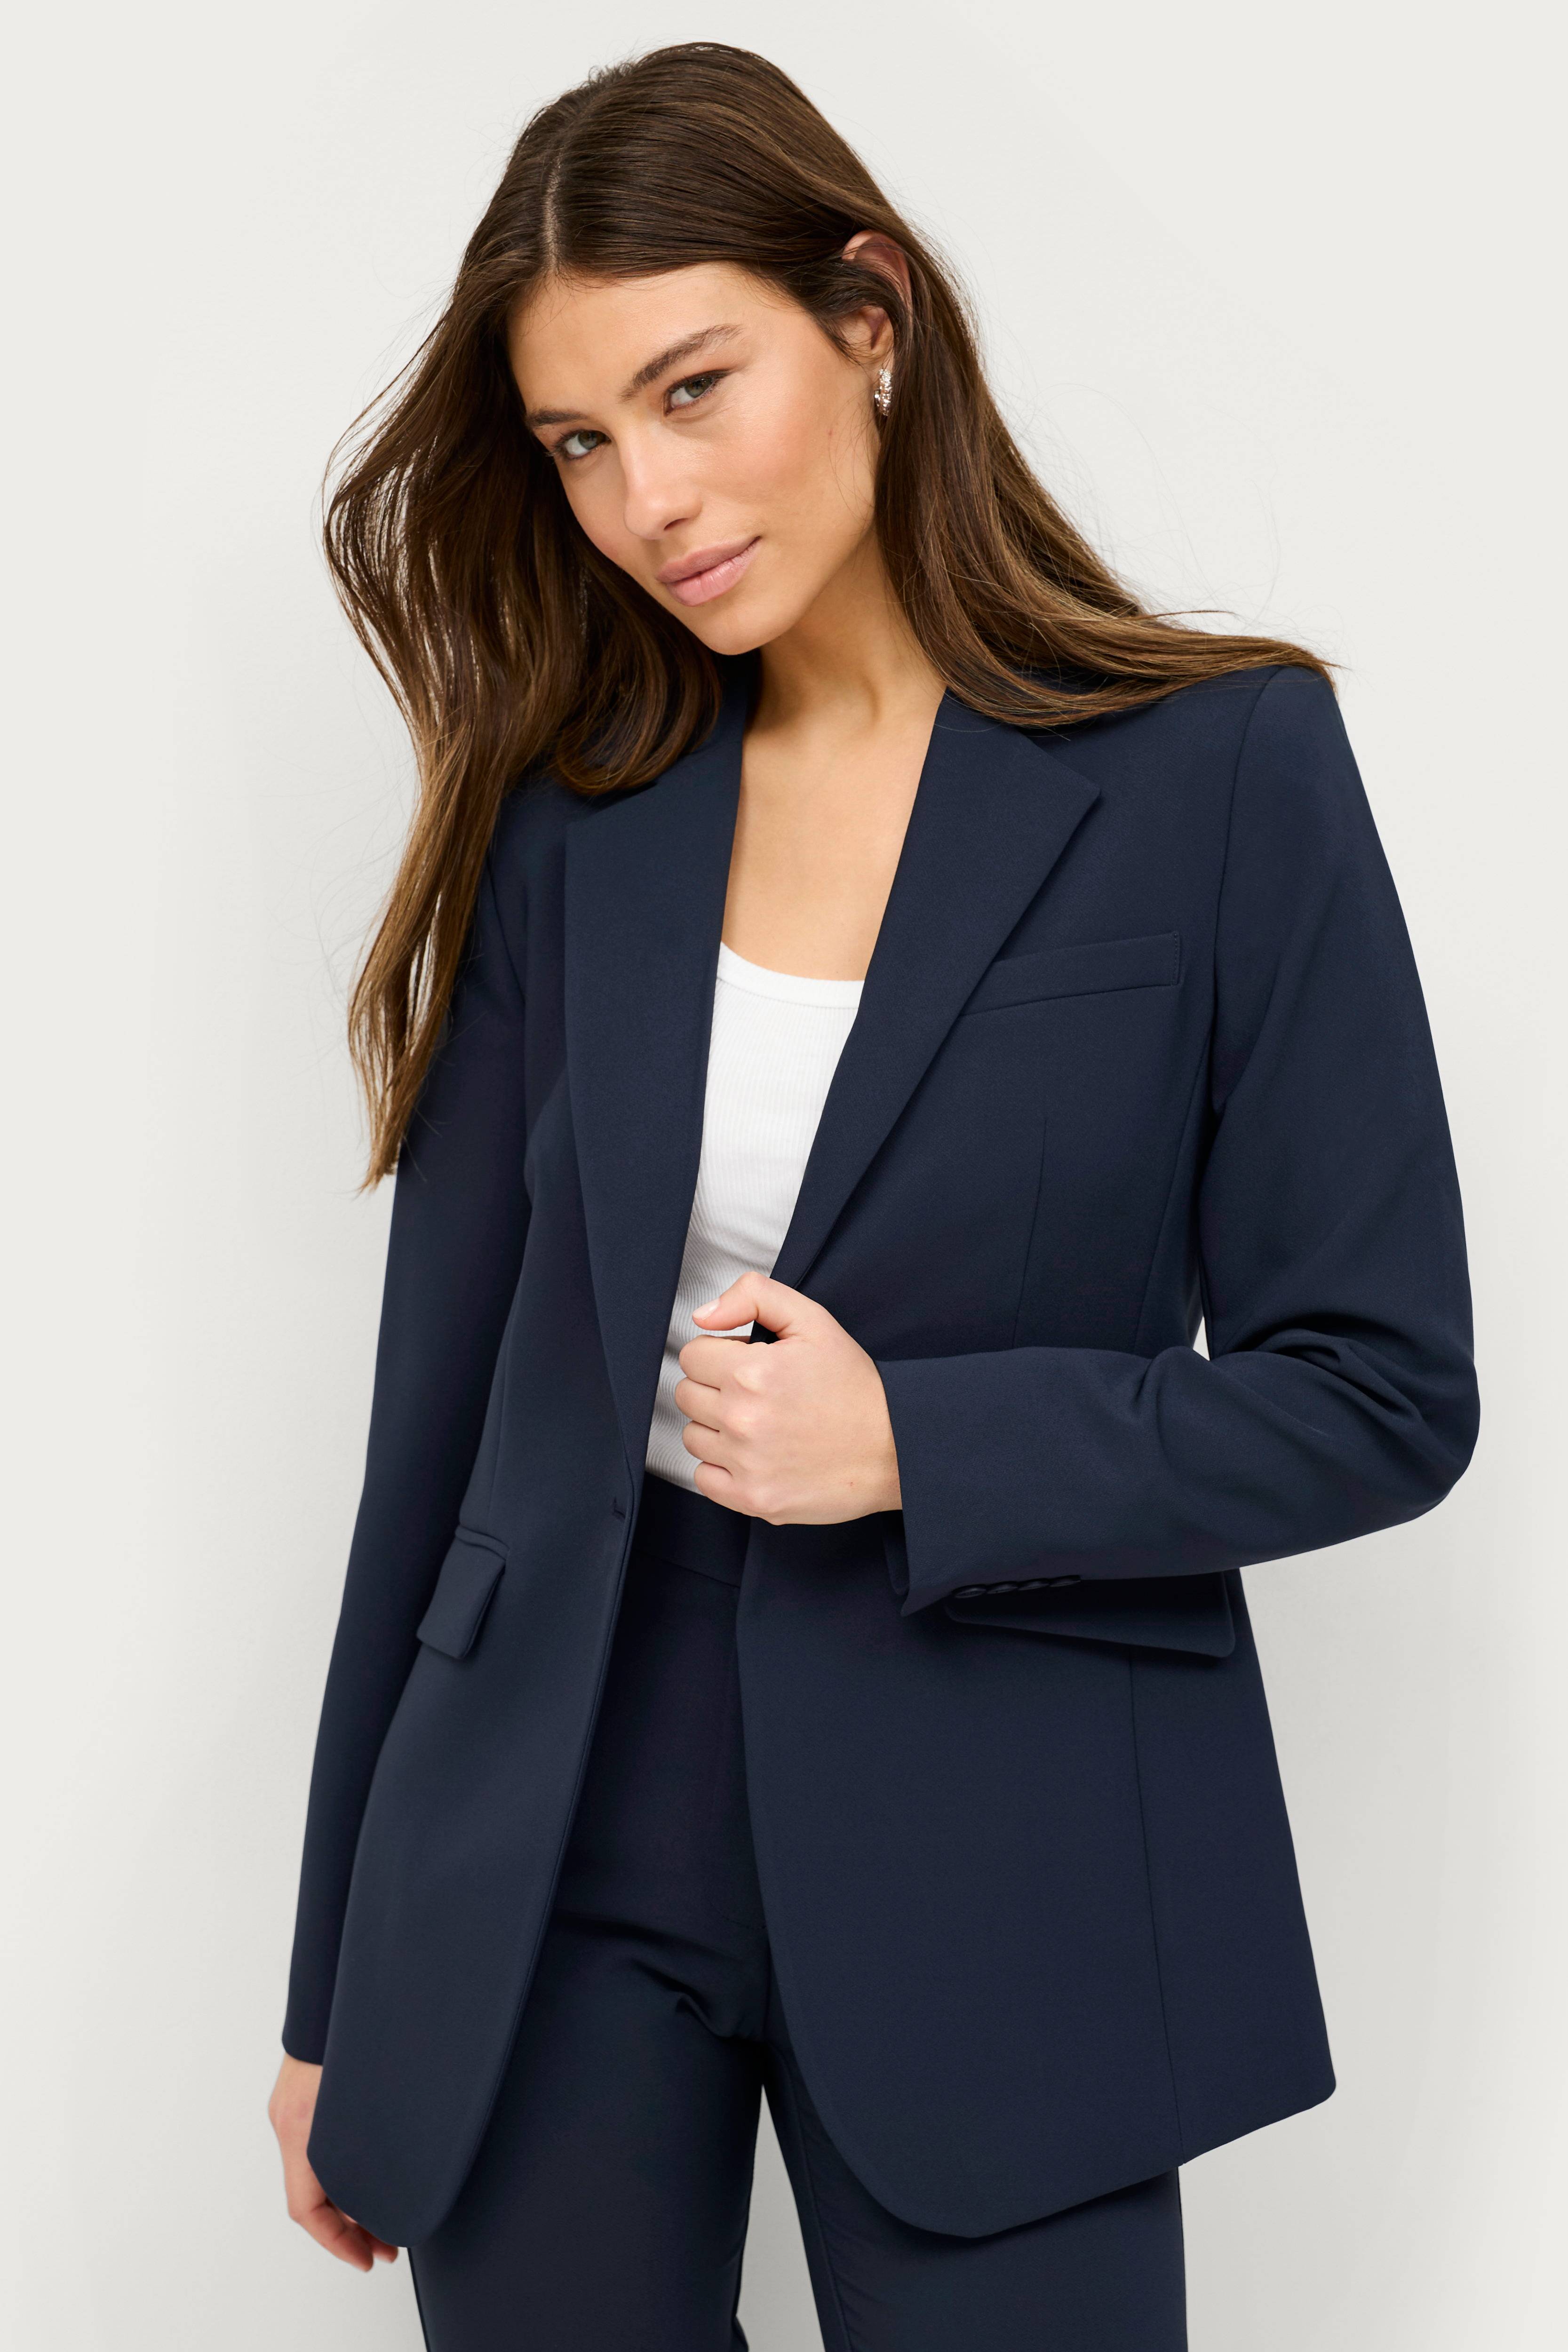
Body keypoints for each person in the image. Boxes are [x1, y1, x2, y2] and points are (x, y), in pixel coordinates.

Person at [267, 41, 1479, 2352]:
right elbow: (439, 1438)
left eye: (692, 387)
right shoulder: (575, 818)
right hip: (557, 1846)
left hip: (1011, 1838)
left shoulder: (1221, 771)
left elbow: (1382, 1391)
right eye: (579, 442)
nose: (646, 497)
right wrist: (343, 1980)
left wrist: (919, 1438)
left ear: (870, 316)